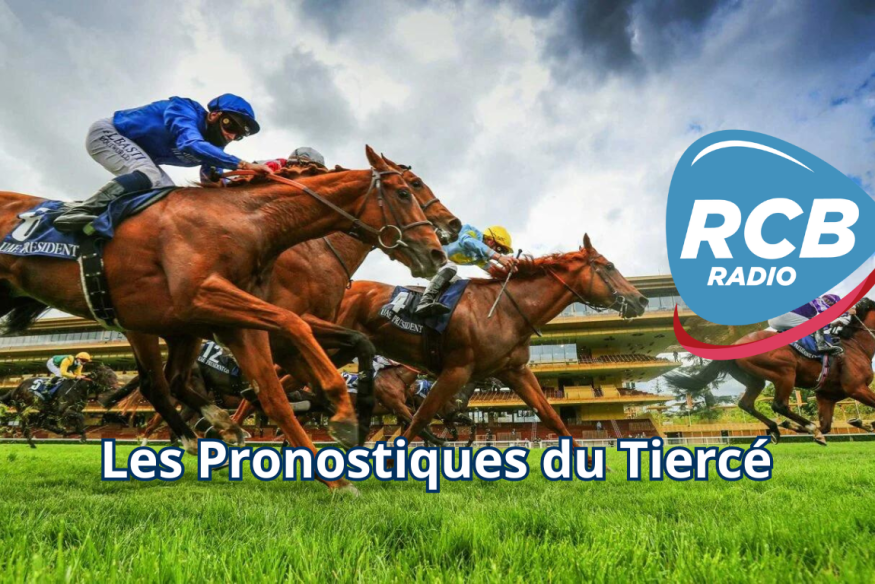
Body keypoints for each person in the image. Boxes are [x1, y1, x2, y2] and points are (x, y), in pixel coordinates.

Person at [54, 94, 273, 233]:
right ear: (214, 115)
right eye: (231, 126)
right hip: (109, 133)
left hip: (141, 156)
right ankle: (81, 210)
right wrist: (244, 165)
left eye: (239, 135)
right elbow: (190, 143)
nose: (231, 136)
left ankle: (104, 227)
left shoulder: (214, 148)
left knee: (169, 197)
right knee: (148, 173)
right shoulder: (184, 109)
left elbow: (213, 181)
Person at [415, 224, 518, 316]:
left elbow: (492, 270)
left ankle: (438, 312)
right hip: (422, 253)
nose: (498, 252)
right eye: (499, 249)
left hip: (432, 265)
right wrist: (499, 257)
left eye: (502, 252)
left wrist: (509, 272)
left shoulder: (480, 258)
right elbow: (467, 241)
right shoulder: (470, 232)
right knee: (451, 267)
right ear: (490, 240)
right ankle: (424, 302)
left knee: (459, 285)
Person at [768, 293, 851, 355]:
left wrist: (831, 325)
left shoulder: (810, 309)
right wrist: (845, 312)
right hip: (782, 316)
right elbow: (824, 310)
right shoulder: (816, 298)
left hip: (774, 321)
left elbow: (816, 325)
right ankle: (821, 346)